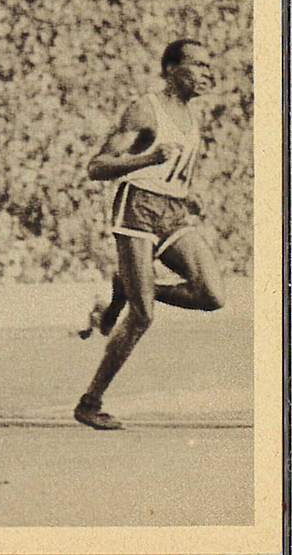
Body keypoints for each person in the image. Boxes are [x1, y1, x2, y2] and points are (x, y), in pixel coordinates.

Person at [74, 39, 226, 430]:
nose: (208, 73)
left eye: (211, 66)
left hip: (173, 210)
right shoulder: (146, 109)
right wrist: (146, 158)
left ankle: (129, 284)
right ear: (172, 69)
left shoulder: (192, 117)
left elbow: (176, 172)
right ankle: (90, 403)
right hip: (137, 206)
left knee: (212, 294)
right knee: (142, 315)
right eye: (199, 65)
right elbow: (96, 166)